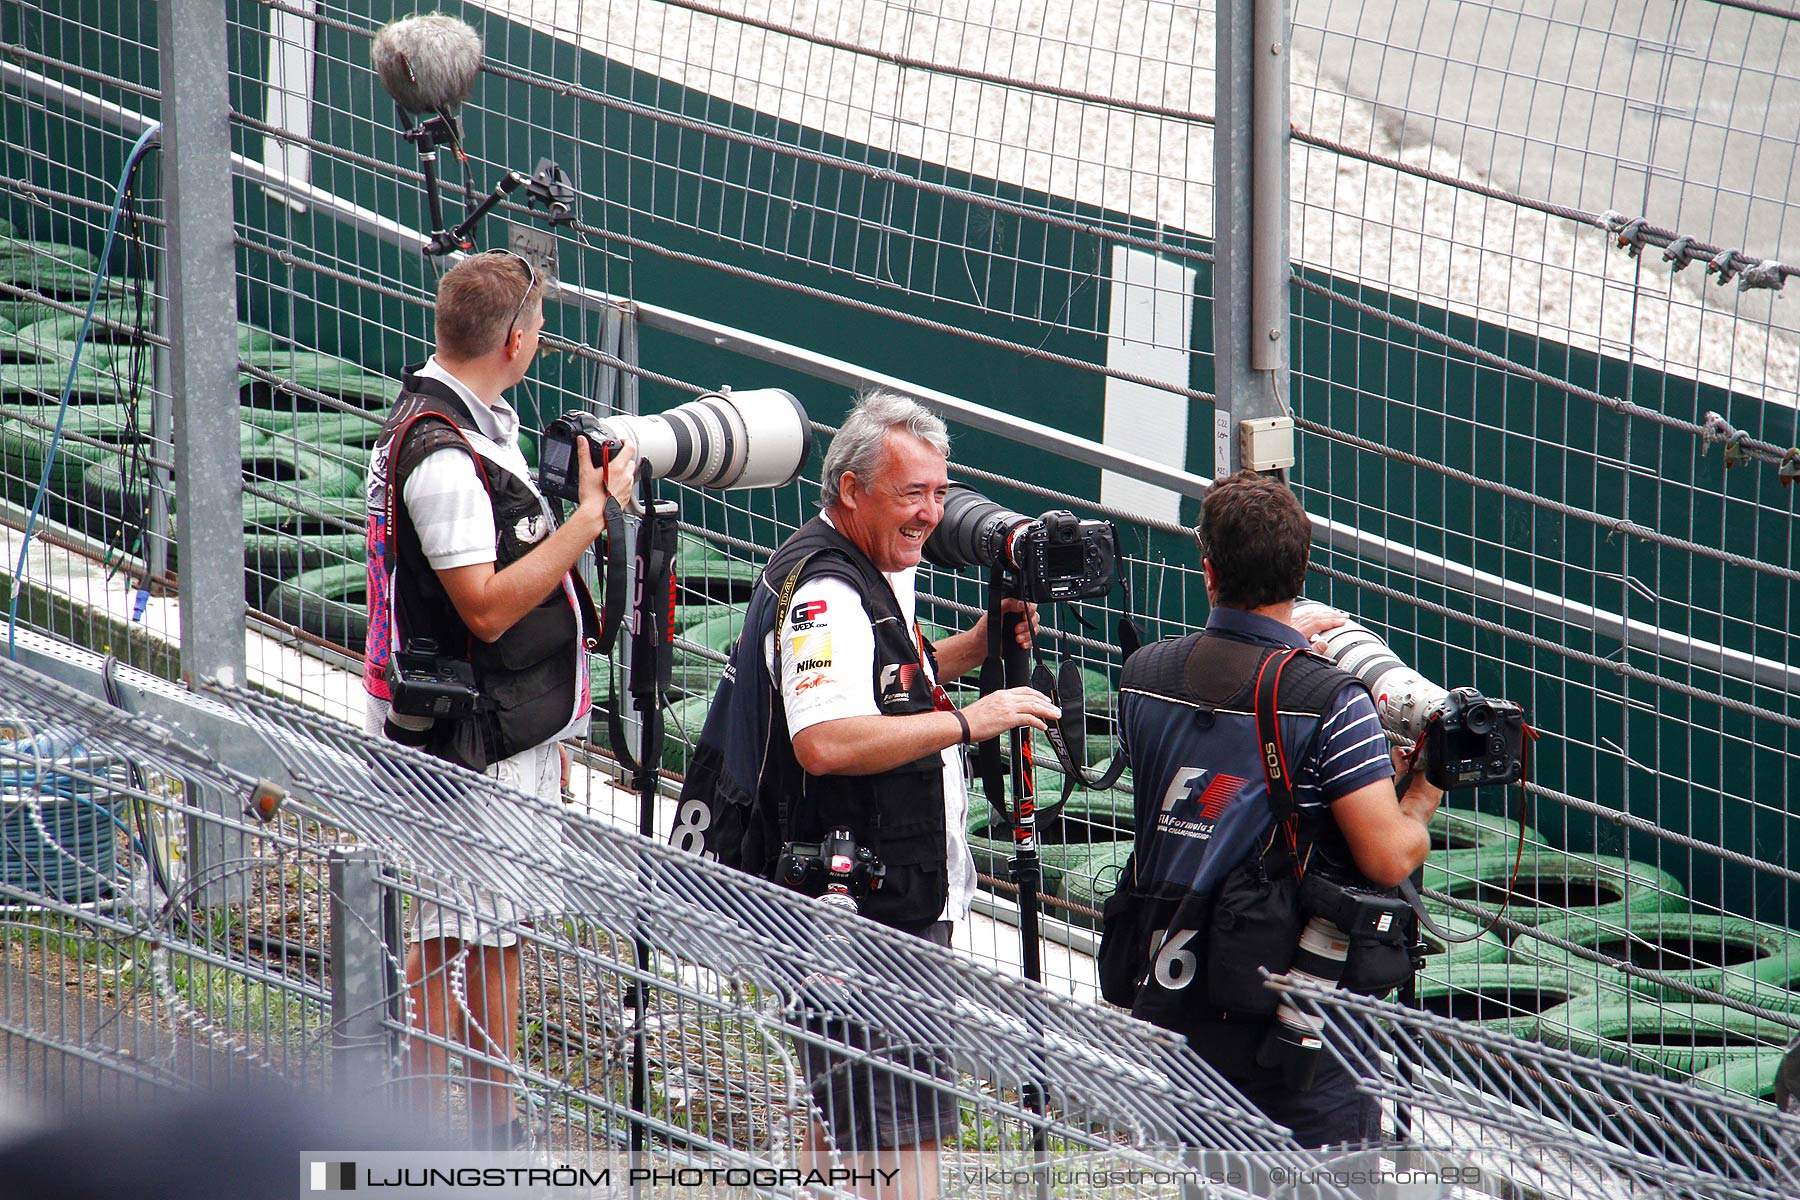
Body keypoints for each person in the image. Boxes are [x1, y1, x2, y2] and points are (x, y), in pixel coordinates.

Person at [674, 390, 1060, 1197]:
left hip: (868, 900)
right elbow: (828, 740)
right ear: (851, 490)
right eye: (910, 493)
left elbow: (882, 685)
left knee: (843, 1123)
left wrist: (981, 646)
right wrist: (971, 722)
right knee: (898, 1138)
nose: (931, 514)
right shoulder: (828, 591)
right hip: (866, 917)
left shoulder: (861, 565)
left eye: (939, 492)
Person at [360, 249, 637, 1148]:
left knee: (499, 925)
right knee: (446, 935)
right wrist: (591, 521)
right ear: (514, 339)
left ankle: (497, 1129)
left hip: (499, 730)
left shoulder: (465, 421)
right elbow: (482, 606)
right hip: (458, 739)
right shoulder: (441, 454)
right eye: (541, 327)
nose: (543, 340)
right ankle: (415, 1144)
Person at [1113, 469, 1444, 1148]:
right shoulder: (1330, 699)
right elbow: (1388, 855)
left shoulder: (1143, 676)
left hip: (1173, 981)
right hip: (1295, 1011)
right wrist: (1426, 785)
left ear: (1208, 571)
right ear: (1305, 566)